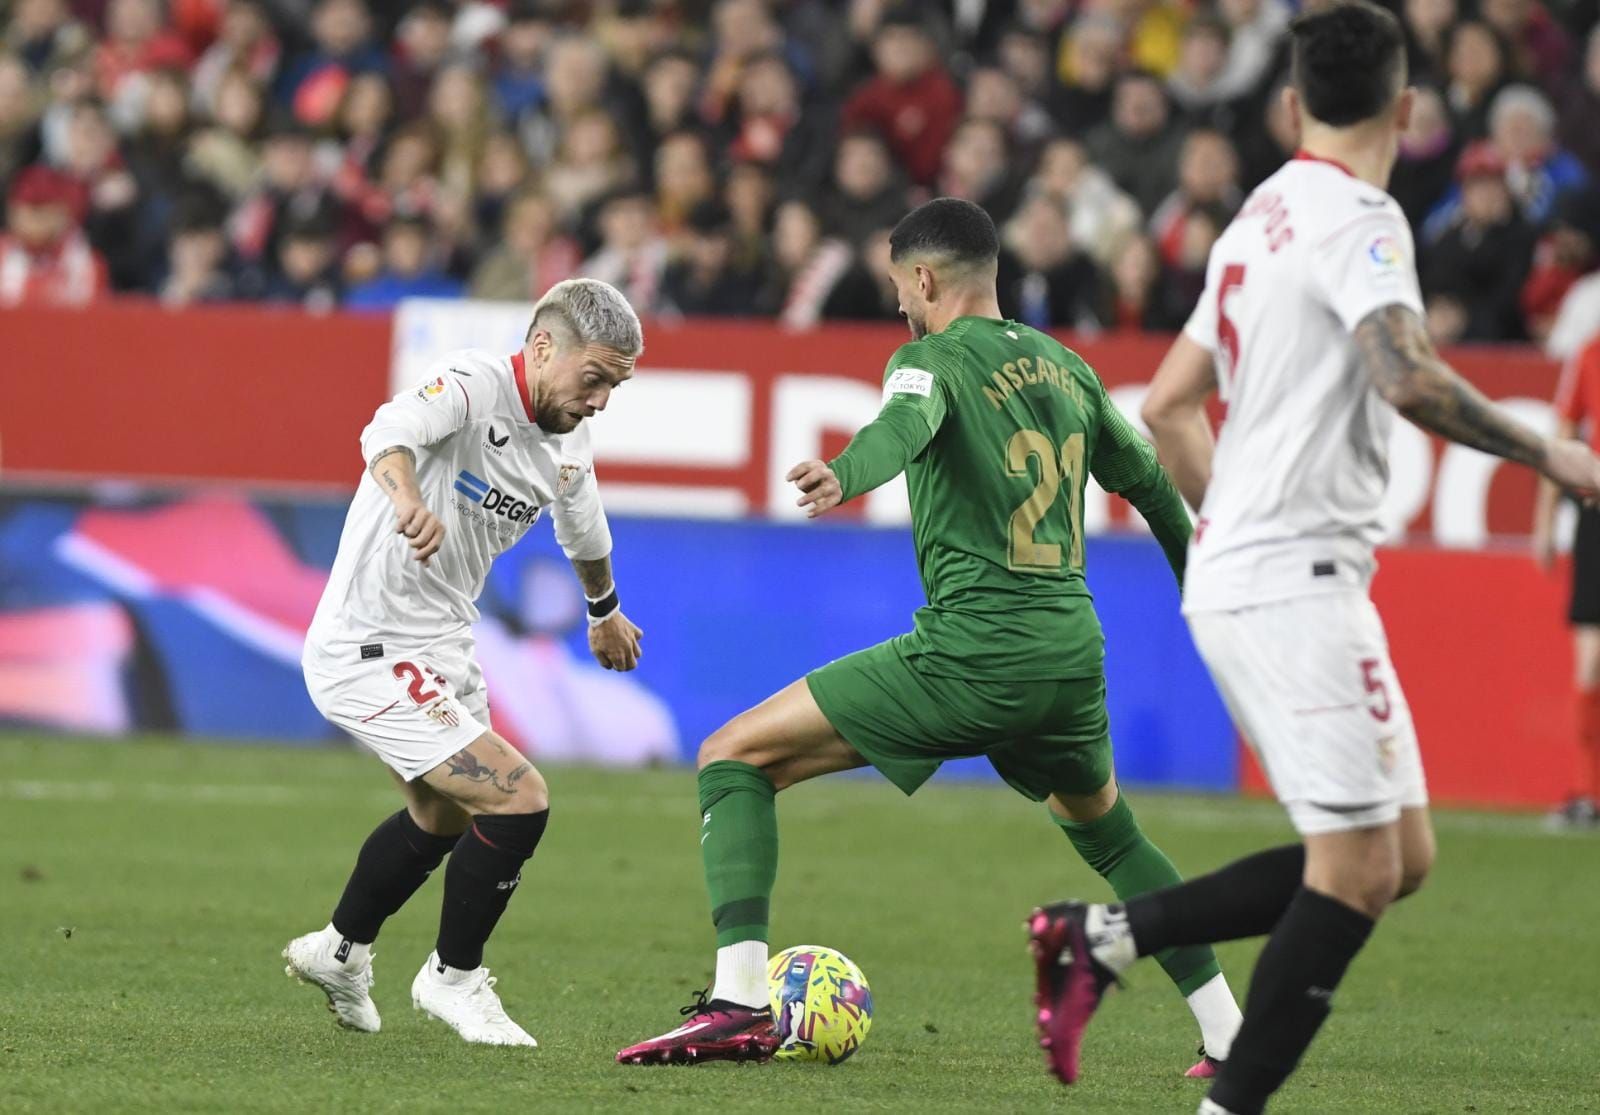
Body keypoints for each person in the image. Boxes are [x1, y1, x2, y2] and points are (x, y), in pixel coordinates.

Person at [1027, 7, 1600, 1115]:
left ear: (1290, 106)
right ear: (1409, 110)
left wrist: (1230, 521)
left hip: (1262, 569)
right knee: (1355, 871)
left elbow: (1167, 402)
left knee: (1400, 854)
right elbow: (1409, 377)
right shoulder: (1360, 217)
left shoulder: (1260, 213)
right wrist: (1548, 449)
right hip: (1290, 576)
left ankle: (1101, 934)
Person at [616, 198, 1244, 1074]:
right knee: (1111, 834)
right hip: (1071, 649)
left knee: (734, 755)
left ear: (923, 279)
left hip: (976, 649)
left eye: (897, 287)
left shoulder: (927, 359)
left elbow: (896, 431)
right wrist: (1205, 590)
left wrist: (842, 473)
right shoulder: (1067, 368)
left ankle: (738, 1003)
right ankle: (1228, 1032)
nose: (898, 306)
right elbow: (1150, 484)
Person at [284, 279, 646, 1047]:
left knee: (441, 815)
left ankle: (339, 948)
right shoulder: (475, 386)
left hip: (444, 644)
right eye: (596, 378)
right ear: (544, 348)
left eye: (616, 384)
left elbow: (585, 532)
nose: (603, 400)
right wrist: (407, 497)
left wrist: (604, 608)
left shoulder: (567, 441)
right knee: (519, 797)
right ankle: (453, 978)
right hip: (367, 643)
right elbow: (387, 430)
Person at [1534, 328, 1600, 829]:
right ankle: (1591, 796)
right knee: (1591, 661)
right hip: (1596, 511)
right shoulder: (1589, 353)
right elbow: (1560, 439)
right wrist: (1544, 520)